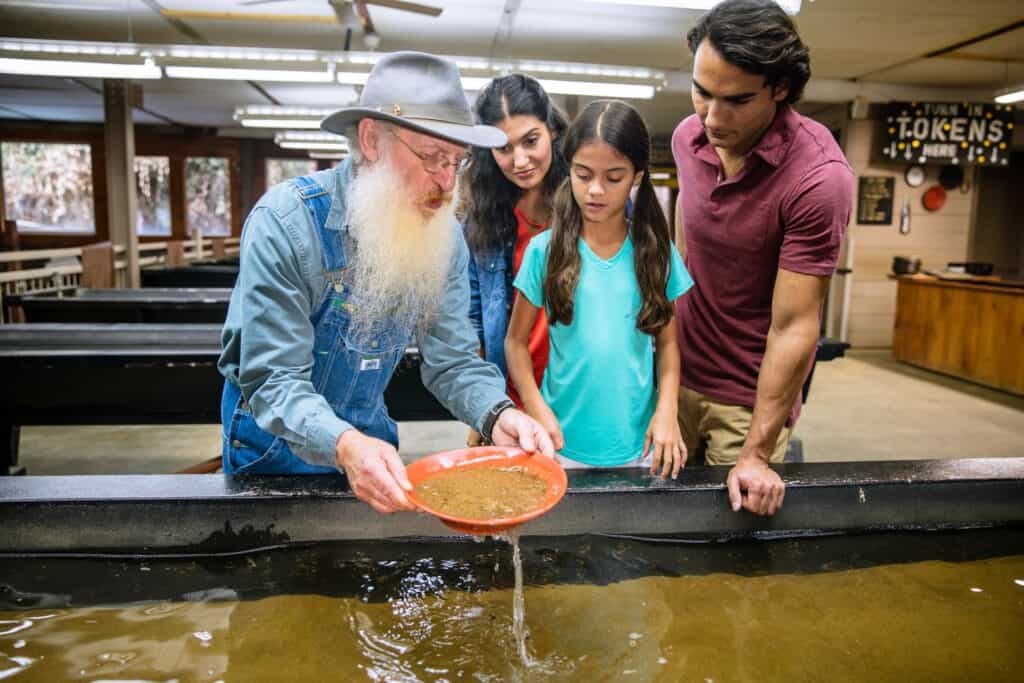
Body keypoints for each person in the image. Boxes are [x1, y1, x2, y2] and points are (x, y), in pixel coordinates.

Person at [218, 51, 555, 514]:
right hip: (273, 457)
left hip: (374, 449)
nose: (445, 183)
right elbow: (273, 379)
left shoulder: (445, 238)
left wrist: (498, 414)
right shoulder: (286, 223)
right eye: (433, 157)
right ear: (371, 140)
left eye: (456, 162)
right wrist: (343, 444)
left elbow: (453, 361)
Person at [672, 0, 854, 515]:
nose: (711, 116)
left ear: (780, 88)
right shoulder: (689, 139)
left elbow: (795, 325)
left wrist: (756, 451)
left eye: (734, 100)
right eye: (701, 92)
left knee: (732, 543)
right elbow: (688, 251)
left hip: (746, 398)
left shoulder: (818, 179)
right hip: (679, 375)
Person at [507, 100, 693, 477]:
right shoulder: (544, 250)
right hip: (559, 443)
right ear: (568, 169)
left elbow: (669, 344)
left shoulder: (655, 252)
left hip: (639, 444)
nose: (595, 190)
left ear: (637, 177)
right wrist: (535, 408)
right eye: (582, 174)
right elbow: (515, 343)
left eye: (613, 177)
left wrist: (667, 410)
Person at [463, 74, 569, 445]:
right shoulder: (482, 218)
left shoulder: (594, 200)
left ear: (552, 129)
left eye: (531, 141)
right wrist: (484, 412)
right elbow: (475, 323)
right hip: (511, 403)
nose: (520, 160)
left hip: (578, 394)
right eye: (504, 148)